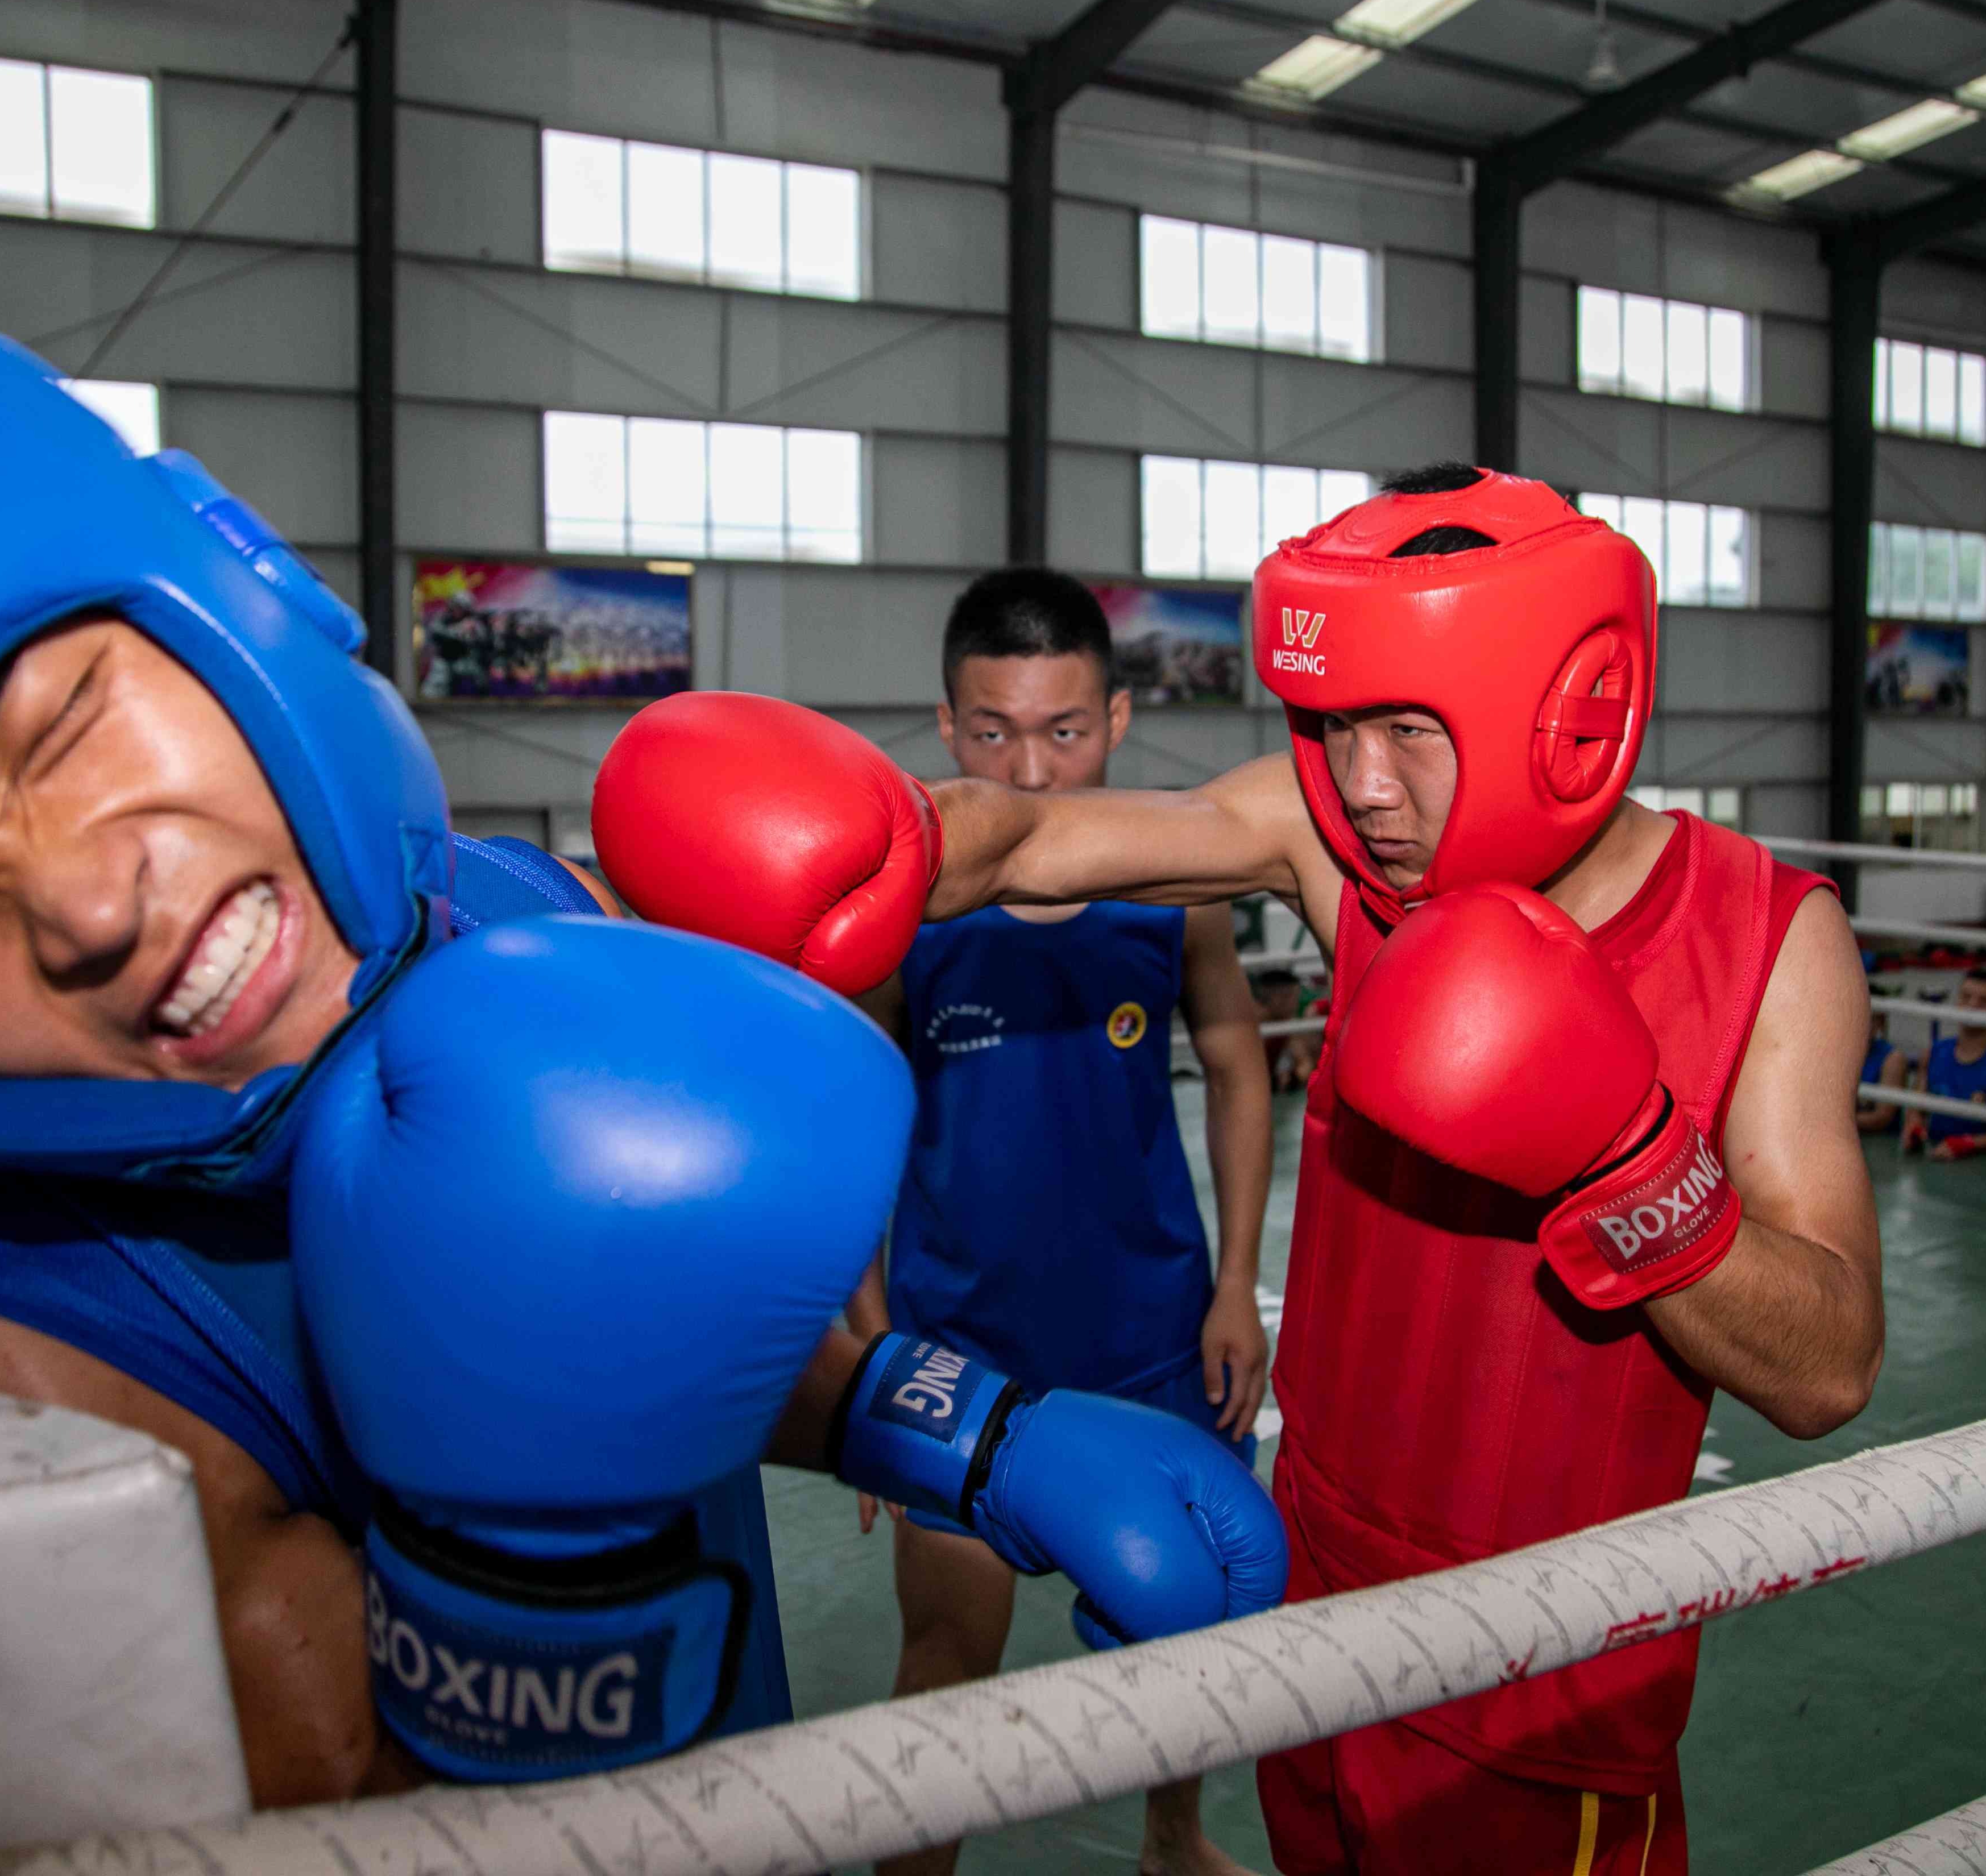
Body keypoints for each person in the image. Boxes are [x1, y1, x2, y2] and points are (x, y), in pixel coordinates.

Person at [0, 324, 1284, 1811]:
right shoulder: (1, 1395)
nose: (88, 903)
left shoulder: (486, 916)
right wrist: (522, 1576)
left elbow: (642, 1308)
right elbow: (334, 1797)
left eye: (57, 734)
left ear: (231, 581)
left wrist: (959, 1432)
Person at [594, 464, 1885, 1875]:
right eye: (1332, 725)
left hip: (1549, 1678)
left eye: (1409, 726)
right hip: (1312, 1618)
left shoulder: (1765, 941)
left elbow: (1826, 1369)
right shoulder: (1334, 847)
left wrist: (1629, 1158)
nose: (1364, 784)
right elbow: (1032, 839)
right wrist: (883, 840)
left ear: (1567, 710)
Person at [845, 568, 1271, 1876]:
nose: (1029, 768)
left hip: (1151, 1331)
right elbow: (854, 1114)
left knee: (1181, 1626)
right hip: (963, 1346)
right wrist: (869, 1351)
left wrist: (1236, 1285)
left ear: (1121, 720)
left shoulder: (1173, 879)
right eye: (993, 732)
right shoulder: (906, 904)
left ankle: (1172, 1839)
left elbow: (1239, 1060)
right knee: (948, 1658)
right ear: (947, 722)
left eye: (1065, 731)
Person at [1898, 969, 1986, 1160]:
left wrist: (1970, 1144)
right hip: (1935, 1155)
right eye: (1966, 997)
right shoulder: (1934, 1052)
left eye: (1984, 1001)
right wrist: (1915, 1127)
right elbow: (1917, 1105)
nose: (1972, 1006)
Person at [1855, 992, 1909, 1135]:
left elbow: (1882, 1118)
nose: (1862, 1021)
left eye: (1872, 1018)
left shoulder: (1892, 1059)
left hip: (1881, 1142)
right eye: (1857, 1013)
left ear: (1880, 1023)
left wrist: (1828, 1122)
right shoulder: (1836, 1051)